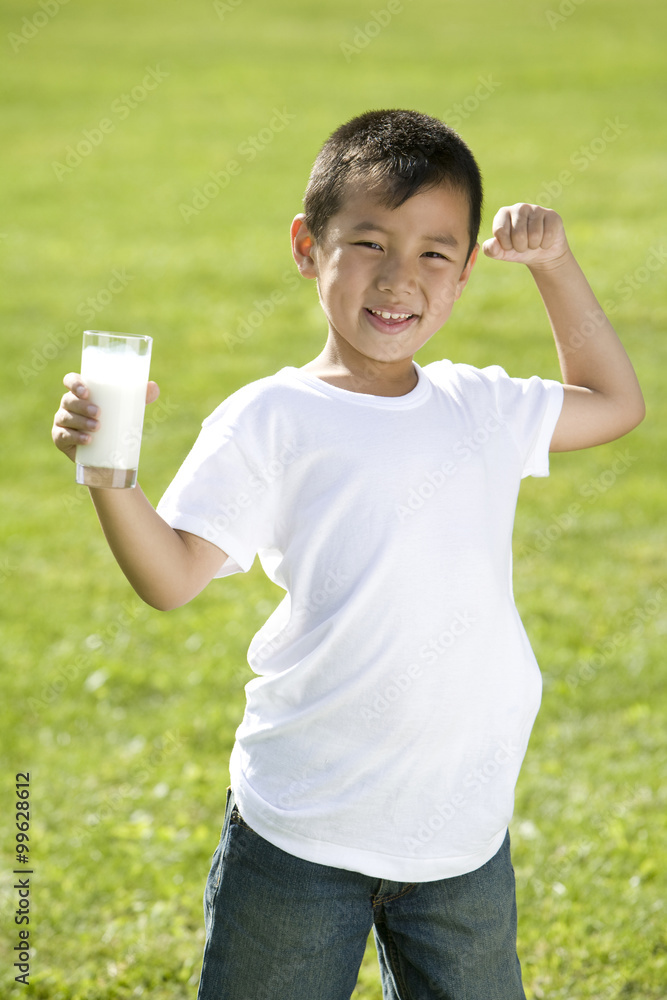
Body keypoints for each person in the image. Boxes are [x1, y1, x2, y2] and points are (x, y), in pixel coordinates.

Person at [52, 109, 644, 1000]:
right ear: (306, 246)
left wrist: (555, 266)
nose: (399, 278)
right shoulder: (271, 417)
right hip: (301, 832)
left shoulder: (478, 407)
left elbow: (613, 402)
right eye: (368, 243)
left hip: (460, 836)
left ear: (466, 270)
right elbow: (171, 578)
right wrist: (109, 477)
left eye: (434, 254)